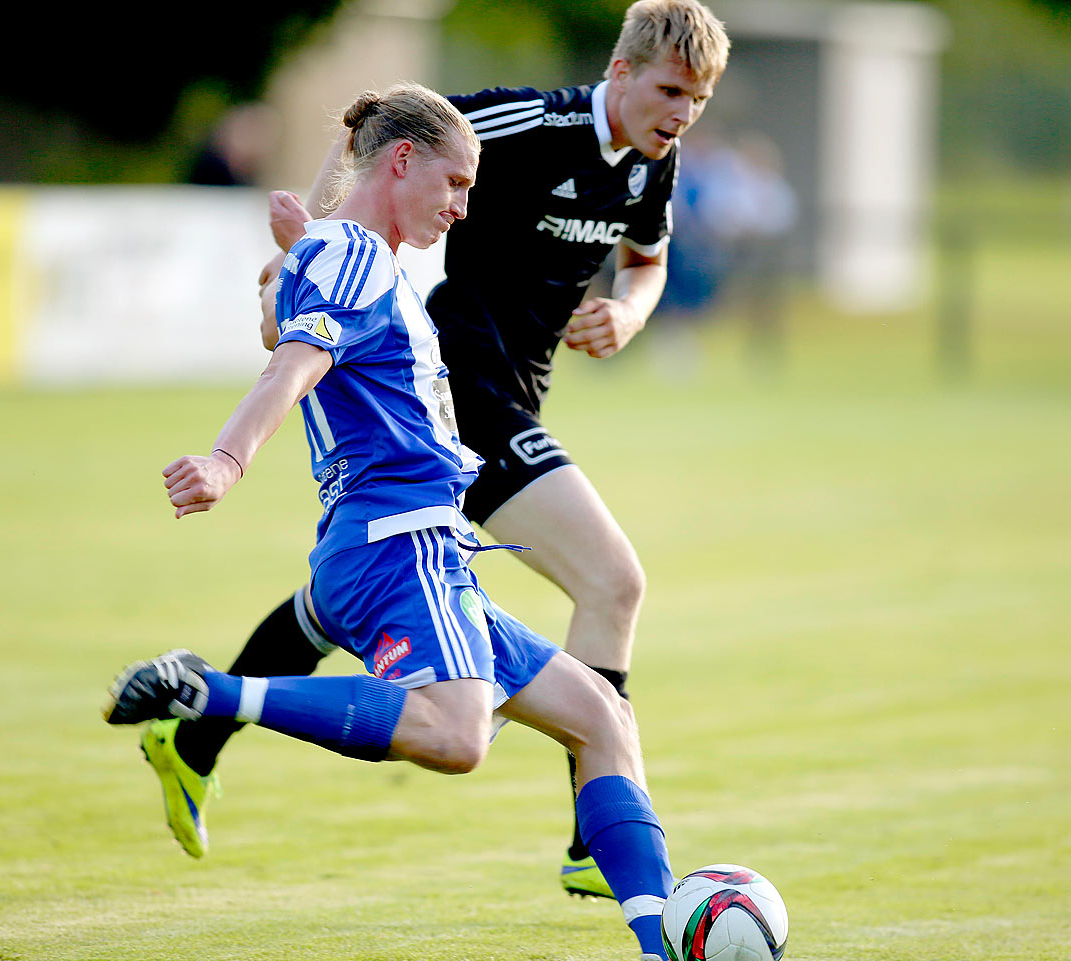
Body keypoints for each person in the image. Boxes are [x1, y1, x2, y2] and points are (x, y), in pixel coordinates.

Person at [149, 0, 731, 902]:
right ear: (619, 73)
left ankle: (196, 734)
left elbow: (647, 261)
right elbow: (379, 129)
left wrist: (630, 309)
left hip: (504, 398)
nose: (683, 112)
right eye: (669, 91)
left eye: (697, 99)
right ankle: (592, 831)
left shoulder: (656, 164)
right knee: (613, 582)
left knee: (340, 593)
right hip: (458, 390)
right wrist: (309, 244)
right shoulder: (528, 122)